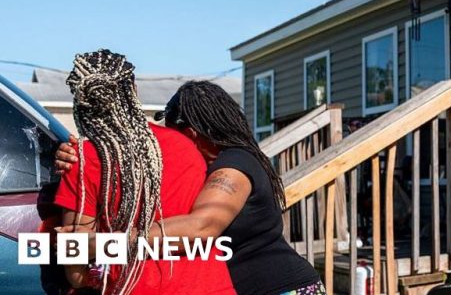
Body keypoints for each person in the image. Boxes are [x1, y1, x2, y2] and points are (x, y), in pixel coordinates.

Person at [58, 80, 324, 295]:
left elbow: (202, 227)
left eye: (172, 132)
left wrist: (103, 244)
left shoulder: (235, 165)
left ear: (191, 134)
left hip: (281, 287)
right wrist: (77, 156)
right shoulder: (211, 168)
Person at [53, 50, 235, 295]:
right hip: (210, 287)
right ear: (134, 92)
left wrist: (92, 277)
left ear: (81, 101)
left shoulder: (82, 160)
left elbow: (75, 271)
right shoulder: (186, 146)